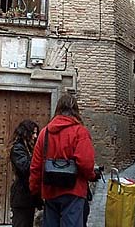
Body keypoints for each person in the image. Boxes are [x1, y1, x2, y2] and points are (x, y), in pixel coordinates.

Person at [29, 94, 99, 227]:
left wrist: (35, 190)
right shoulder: (80, 132)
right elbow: (85, 163)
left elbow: (36, 166)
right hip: (74, 191)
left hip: (50, 191)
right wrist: (92, 176)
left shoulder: (45, 133)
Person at [10, 119, 43, 227]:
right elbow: (25, 168)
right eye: (32, 133)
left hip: (28, 197)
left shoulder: (29, 149)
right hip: (21, 197)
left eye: (36, 133)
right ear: (25, 133)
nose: (35, 136)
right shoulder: (17, 149)